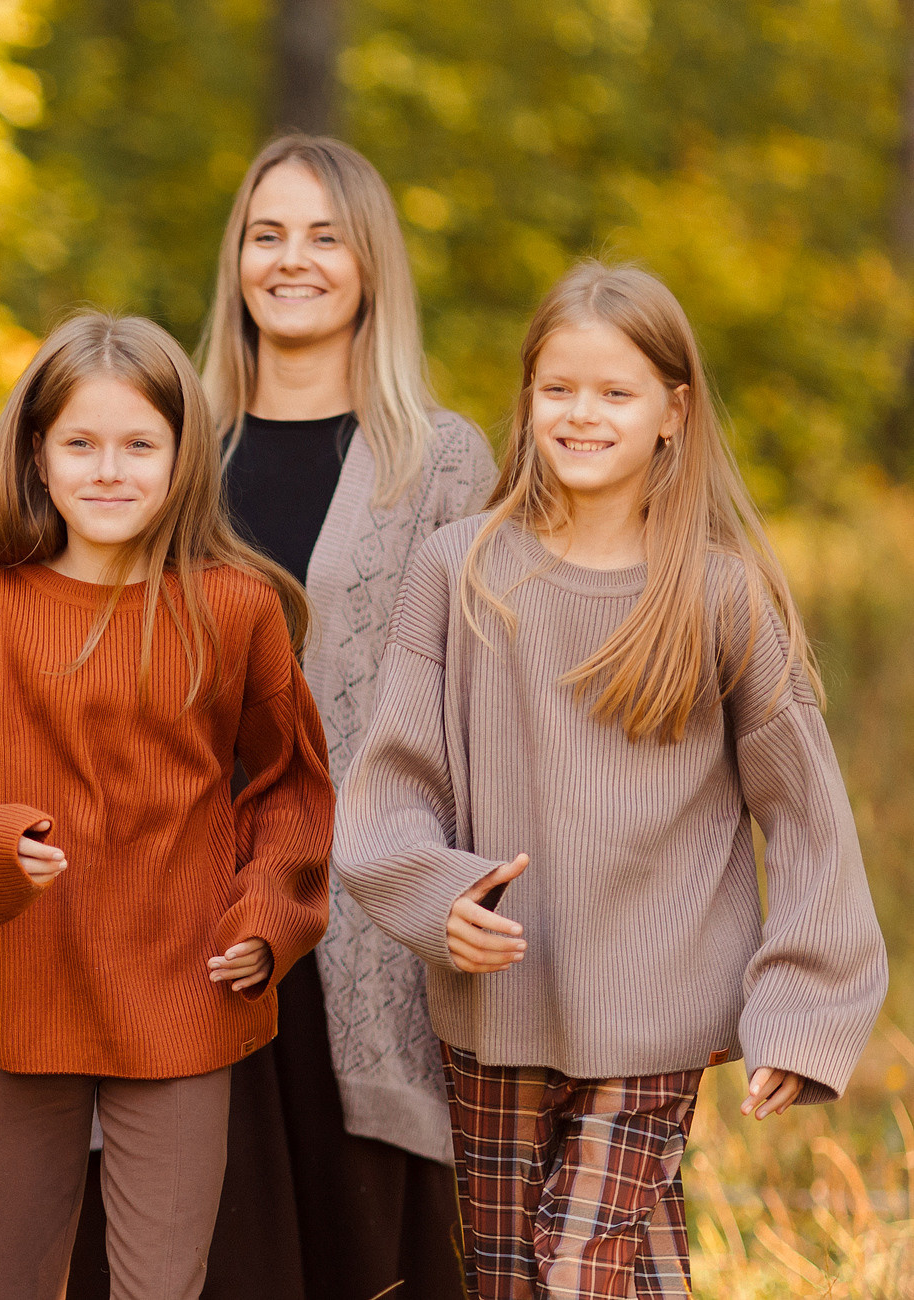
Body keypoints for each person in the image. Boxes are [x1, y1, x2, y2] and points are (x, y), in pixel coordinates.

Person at [335, 260, 888, 1298]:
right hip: (495, 1005)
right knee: (520, 1275)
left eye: (615, 392)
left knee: (579, 1271)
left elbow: (804, 812)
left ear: (673, 411)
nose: (582, 414)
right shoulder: (461, 570)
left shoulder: (721, 593)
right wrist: (434, 892)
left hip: (658, 1005)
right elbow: (394, 779)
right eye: (559, 389)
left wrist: (802, 1006)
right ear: (528, 397)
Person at [72, 135, 492, 1300]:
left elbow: (483, 705)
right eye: (267, 234)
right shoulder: (170, 447)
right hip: (187, 916)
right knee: (199, 1243)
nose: (292, 260)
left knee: (362, 1252)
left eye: (324, 235)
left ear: (372, 265)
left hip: (364, 929)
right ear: (236, 261)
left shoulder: (444, 461)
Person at [0, 312, 335, 1300]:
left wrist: (267, 919)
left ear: (184, 458)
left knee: (162, 1284)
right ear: (37, 456)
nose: (109, 470)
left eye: (139, 445)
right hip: (20, 983)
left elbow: (290, 788)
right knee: (5, 1279)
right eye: (81, 443)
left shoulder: (234, 609)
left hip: (180, 986)